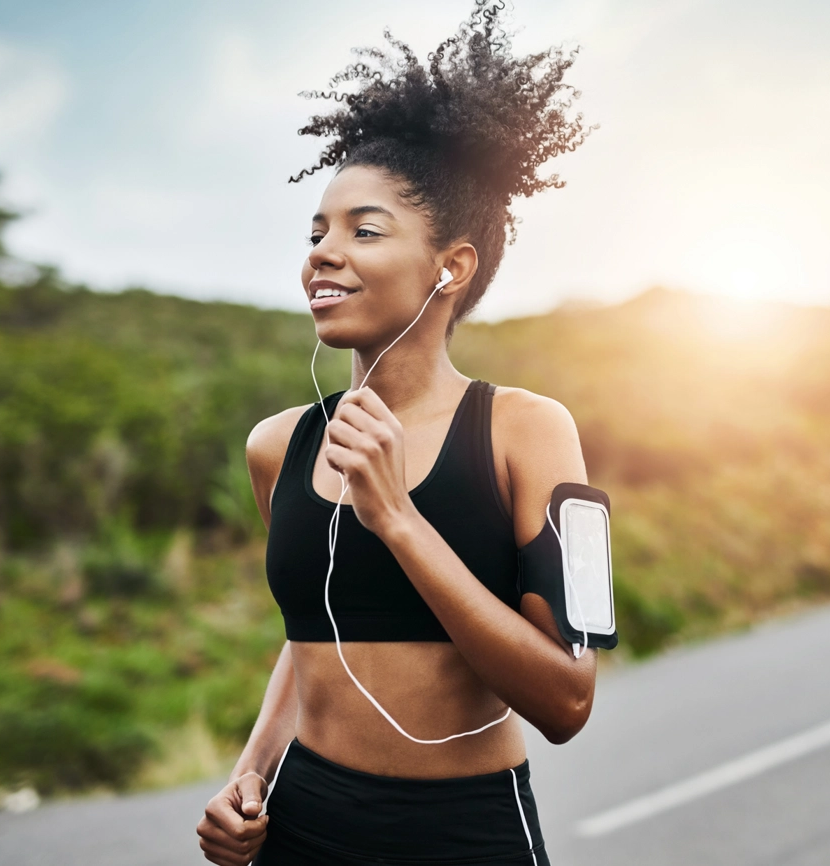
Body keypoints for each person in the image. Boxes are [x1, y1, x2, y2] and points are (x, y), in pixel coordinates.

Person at [196, 3, 599, 864]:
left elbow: (567, 702)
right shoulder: (277, 446)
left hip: (466, 832)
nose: (321, 252)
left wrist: (399, 520)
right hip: (302, 824)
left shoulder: (526, 431)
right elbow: (315, 635)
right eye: (316, 233)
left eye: (364, 230)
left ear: (451, 267)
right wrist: (251, 774)